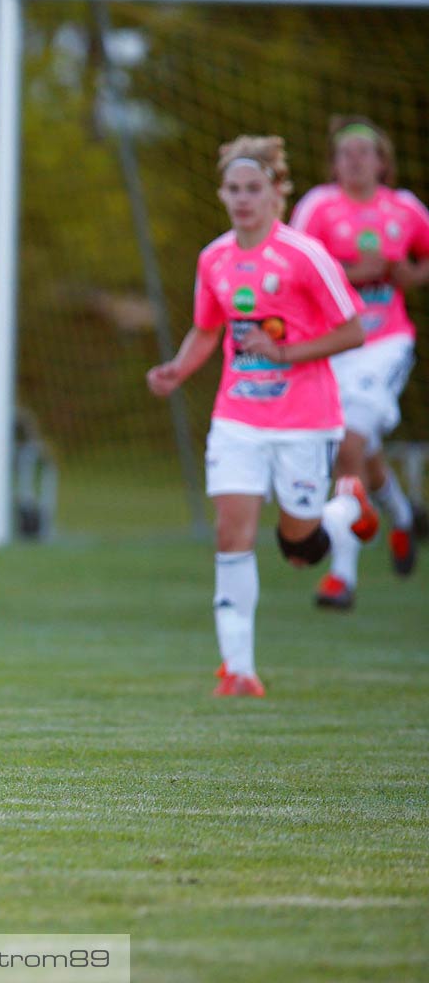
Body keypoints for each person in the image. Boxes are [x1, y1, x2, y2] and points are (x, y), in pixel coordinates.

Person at [147, 136, 369, 697]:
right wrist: (177, 369)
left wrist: (286, 354)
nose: (243, 199)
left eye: (254, 189)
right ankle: (239, 669)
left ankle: (344, 510)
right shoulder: (214, 258)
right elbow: (207, 327)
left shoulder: (305, 255)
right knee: (231, 533)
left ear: (276, 193)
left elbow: (353, 329)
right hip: (238, 417)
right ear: (222, 194)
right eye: (234, 190)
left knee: (299, 542)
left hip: (303, 419)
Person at [287, 116, 429, 608]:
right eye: (345, 153)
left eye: (363, 152)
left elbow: (422, 264)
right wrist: (350, 272)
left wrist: (408, 273)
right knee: (359, 451)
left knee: (346, 444)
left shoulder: (405, 209)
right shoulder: (318, 207)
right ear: (334, 162)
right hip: (333, 345)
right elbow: (294, 268)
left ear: (382, 161)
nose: (354, 160)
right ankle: (402, 515)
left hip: (384, 343)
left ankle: (342, 577)